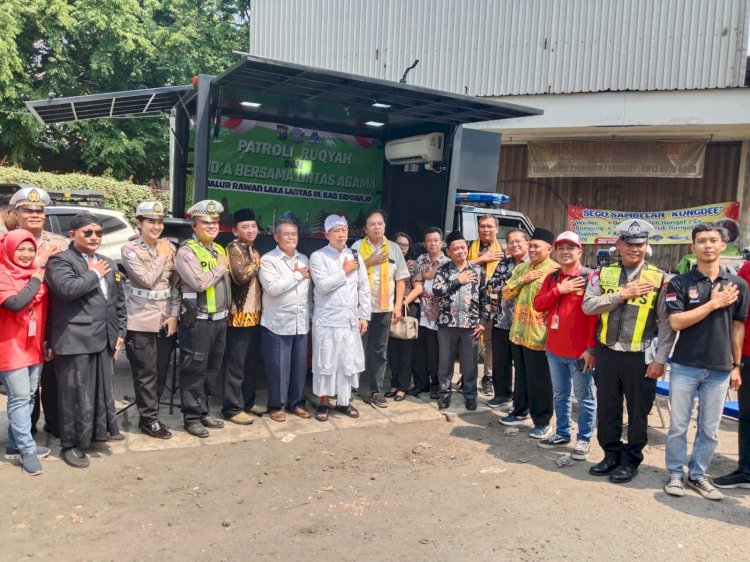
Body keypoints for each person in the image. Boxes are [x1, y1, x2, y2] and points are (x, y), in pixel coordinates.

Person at [583, 219, 675, 484]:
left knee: (638, 411)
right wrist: (622, 295)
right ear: (619, 244)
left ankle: (631, 460)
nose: (634, 249)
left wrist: (660, 360)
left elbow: (666, 323)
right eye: (629, 244)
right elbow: (588, 307)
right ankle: (610, 454)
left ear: (646, 246)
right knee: (608, 407)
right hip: (608, 353)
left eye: (640, 244)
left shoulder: (658, 278)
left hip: (641, 357)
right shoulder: (603, 273)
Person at [663, 223, 749, 500]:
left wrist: (737, 365)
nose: (708, 245)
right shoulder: (680, 282)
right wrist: (712, 303)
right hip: (686, 365)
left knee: (709, 429)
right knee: (678, 425)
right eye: (702, 241)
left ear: (724, 246)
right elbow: (676, 322)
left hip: (720, 369)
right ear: (693, 247)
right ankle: (675, 473)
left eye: (713, 240)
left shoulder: (738, 285)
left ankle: (698, 474)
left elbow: (738, 327)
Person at [46, 212, 126, 468]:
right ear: (72, 234)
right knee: (73, 394)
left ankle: (95, 433)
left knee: (100, 390)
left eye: (99, 233)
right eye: (87, 233)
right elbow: (67, 290)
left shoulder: (106, 262)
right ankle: (70, 444)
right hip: (74, 338)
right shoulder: (60, 260)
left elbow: (117, 301)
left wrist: (120, 332)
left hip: (104, 337)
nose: (94, 237)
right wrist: (92, 274)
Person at [532, 231, 598, 459]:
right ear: (555, 251)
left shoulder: (590, 278)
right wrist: (559, 291)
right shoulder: (552, 278)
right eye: (561, 248)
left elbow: (595, 318)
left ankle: (583, 439)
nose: (565, 252)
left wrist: (591, 349)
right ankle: (562, 432)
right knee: (560, 395)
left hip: (580, 353)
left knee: (585, 397)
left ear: (580, 251)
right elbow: (538, 304)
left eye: (570, 248)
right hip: (554, 350)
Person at [10, 187, 67, 437]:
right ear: (15, 213)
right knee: (24, 383)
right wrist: (38, 261)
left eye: (39, 210)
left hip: (52, 316)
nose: (34, 214)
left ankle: (54, 423)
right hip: (18, 318)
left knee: (53, 376)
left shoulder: (60, 243)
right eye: (28, 210)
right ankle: (26, 429)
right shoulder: (7, 242)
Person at [121, 201, 180, 439]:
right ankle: (149, 419)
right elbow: (145, 279)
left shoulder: (170, 247)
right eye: (151, 222)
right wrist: (162, 256)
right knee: (146, 372)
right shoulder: (131, 250)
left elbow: (175, 285)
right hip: (140, 318)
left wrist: (174, 314)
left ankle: (150, 412)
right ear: (139, 223)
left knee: (161, 371)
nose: (156, 226)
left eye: (159, 221)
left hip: (165, 317)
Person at [174, 200, 231, 438]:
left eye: (215, 222)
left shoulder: (218, 249)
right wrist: (219, 268)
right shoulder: (186, 251)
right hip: (198, 320)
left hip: (220, 319)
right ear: (194, 224)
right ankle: (191, 417)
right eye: (206, 222)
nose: (212, 226)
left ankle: (204, 410)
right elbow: (198, 283)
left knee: (212, 369)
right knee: (194, 370)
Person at [498, 228, 559, 438]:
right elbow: (506, 293)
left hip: (540, 335)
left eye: (536, 246)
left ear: (549, 249)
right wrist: (524, 279)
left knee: (540, 380)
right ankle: (519, 410)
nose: (532, 249)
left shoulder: (555, 271)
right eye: (530, 245)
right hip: (518, 332)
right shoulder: (522, 268)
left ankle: (542, 421)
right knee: (521, 377)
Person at [309, 215, 370, 422]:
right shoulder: (318, 256)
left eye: (343, 230)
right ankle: (324, 402)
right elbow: (323, 286)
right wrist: (344, 272)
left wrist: (364, 316)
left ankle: (344, 401)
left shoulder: (355, 255)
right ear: (327, 234)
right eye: (336, 231)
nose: (341, 234)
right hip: (327, 319)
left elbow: (364, 288)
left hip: (349, 319)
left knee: (346, 361)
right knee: (326, 361)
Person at [0, 230, 52, 474]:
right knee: (19, 399)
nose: (26, 254)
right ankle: (28, 451)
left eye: (30, 249)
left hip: (33, 345)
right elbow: (15, 303)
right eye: (20, 249)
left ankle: (15, 445)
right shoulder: (3, 273)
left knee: (30, 397)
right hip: (10, 347)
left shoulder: (36, 273)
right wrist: (35, 280)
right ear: (9, 249)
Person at [351, 210, 409, 407]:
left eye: (380, 223)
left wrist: (398, 305)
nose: (377, 226)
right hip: (360, 309)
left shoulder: (394, 249)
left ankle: (376, 391)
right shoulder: (356, 247)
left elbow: (401, 279)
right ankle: (351, 389)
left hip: (384, 308)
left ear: (385, 226)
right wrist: (370, 261)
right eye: (372, 224)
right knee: (356, 348)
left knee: (379, 351)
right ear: (365, 228)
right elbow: (348, 273)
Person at [258, 219, 312, 422]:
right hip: (277, 323)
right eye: (287, 234)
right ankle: (277, 406)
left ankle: (297, 403)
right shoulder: (268, 260)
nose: (291, 238)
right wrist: (297, 275)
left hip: (300, 321)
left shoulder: (304, 258)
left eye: (294, 234)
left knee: (299, 367)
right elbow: (272, 288)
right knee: (278, 368)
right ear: (276, 237)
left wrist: (311, 315)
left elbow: (309, 293)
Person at [432, 230, 490, 411]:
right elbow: (437, 291)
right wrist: (458, 280)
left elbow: (485, 299)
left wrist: (483, 321)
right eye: (455, 248)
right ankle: (444, 394)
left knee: (470, 362)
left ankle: (470, 395)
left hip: (470, 325)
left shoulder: (478, 270)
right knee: (445, 361)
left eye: (463, 247)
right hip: (447, 324)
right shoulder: (443, 270)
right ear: (448, 251)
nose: (460, 251)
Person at [221, 208, 264, 424]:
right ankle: (232, 407)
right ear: (234, 231)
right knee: (236, 364)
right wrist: (257, 263)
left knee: (250, 363)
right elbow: (239, 276)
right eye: (245, 227)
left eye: (253, 226)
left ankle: (247, 402)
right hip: (238, 316)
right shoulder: (233, 248)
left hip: (255, 315)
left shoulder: (251, 249)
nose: (251, 230)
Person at [713, 257, 750, 490]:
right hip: (747, 353)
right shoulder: (747, 269)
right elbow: (739, 313)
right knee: (747, 415)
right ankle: (746, 470)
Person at [486, 228, 529, 409]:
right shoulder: (504, 264)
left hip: (524, 324)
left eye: (518, 241)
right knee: (501, 359)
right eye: (510, 242)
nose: (514, 245)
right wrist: (517, 280)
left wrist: (509, 283)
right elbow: (492, 285)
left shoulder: (533, 264)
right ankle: (502, 394)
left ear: (527, 243)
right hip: (502, 319)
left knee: (521, 364)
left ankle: (520, 401)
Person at [410, 227, 450, 399]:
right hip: (421, 311)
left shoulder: (448, 262)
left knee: (435, 353)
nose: (432, 243)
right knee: (419, 351)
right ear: (425, 244)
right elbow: (415, 278)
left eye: (436, 240)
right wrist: (426, 275)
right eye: (429, 241)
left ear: (441, 242)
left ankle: (436, 385)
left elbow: (449, 282)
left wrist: (428, 275)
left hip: (439, 313)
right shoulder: (421, 258)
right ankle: (420, 384)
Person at [469, 214, 504, 396]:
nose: (486, 229)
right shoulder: (468, 247)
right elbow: (460, 266)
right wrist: (484, 259)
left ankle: (487, 378)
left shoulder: (504, 250)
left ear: (497, 229)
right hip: (469, 301)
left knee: (489, 342)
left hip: (493, 302)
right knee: (469, 340)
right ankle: (468, 378)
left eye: (490, 226)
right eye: (482, 226)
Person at [384, 232, 419, 401]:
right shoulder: (388, 261)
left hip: (407, 307)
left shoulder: (412, 264)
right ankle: (394, 383)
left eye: (405, 245)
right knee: (392, 349)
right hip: (389, 307)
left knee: (406, 350)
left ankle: (403, 386)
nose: (401, 248)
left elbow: (418, 287)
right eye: (398, 244)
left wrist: (403, 301)